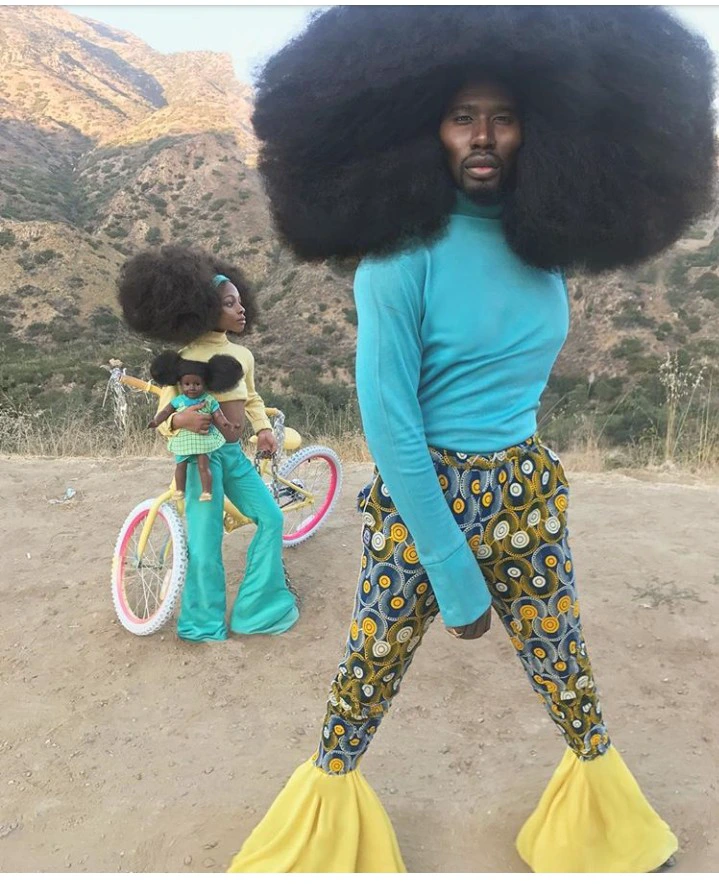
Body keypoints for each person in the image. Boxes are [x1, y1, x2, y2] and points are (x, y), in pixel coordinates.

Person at [226, 6, 716, 873]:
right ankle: (312, 853)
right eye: (462, 116)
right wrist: (454, 576)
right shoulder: (397, 262)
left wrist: (521, 487)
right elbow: (391, 423)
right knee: (365, 679)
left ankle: (605, 835)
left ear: (540, 128)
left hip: (526, 486)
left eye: (503, 115)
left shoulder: (543, 249)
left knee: (564, 667)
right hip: (425, 500)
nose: (483, 135)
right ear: (429, 130)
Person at [118, 246, 299, 643]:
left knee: (271, 518)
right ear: (203, 310)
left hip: (233, 457)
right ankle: (203, 624)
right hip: (200, 458)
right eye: (229, 304)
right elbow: (167, 414)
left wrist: (262, 428)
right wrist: (180, 420)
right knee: (204, 543)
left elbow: (249, 397)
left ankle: (258, 609)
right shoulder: (185, 360)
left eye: (240, 302)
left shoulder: (242, 355)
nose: (240, 310)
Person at [147, 351, 244, 502]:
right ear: (180, 384)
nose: (192, 388)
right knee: (181, 465)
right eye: (187, 384)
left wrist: (228, 424)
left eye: (197, 384)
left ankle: (206, 491)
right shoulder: (178, 400)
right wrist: (156, 421)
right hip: (184, 439)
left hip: (203, 440)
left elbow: (218, 416)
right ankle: (180, 490)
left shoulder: (209, 400)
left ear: (204, 385)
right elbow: (166, 411)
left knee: (203, 466)